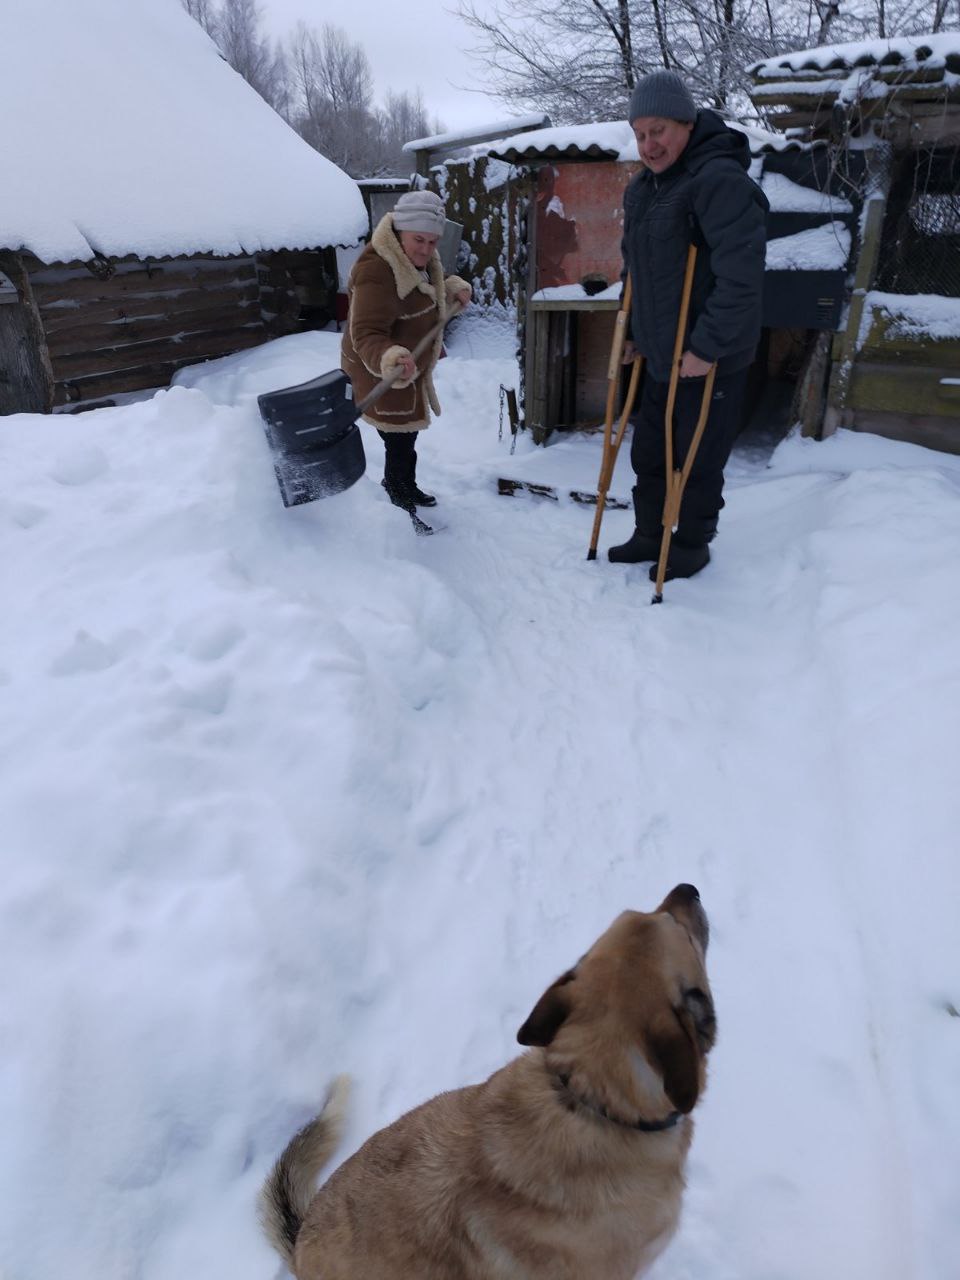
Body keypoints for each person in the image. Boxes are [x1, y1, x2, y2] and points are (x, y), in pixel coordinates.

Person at [608, 70, 768, 580]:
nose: (648, 144)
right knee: (650, 449)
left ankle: (693, 542)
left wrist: (706, 348)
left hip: (708, 356)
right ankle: (649, 533)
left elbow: (741, 279)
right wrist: (631, 331)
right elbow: (637, 270)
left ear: (686, 122)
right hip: (660, 351)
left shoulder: (718, 180)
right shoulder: (644, 189)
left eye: (657, 131)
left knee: (697, 456)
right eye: (639, 134)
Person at [341, 190, 471, 525]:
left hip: (407, 365)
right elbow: (366, 334)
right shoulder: (377, 270)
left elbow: (422, 291)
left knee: (405, 436)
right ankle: (398, 499)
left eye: (432, 241)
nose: (426, 249)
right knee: (398, 437)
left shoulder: (415, 257)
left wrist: (451, 288)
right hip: (381, 366)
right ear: (400, 232)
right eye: (419, 240)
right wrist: (389, 357)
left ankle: (404, 485)